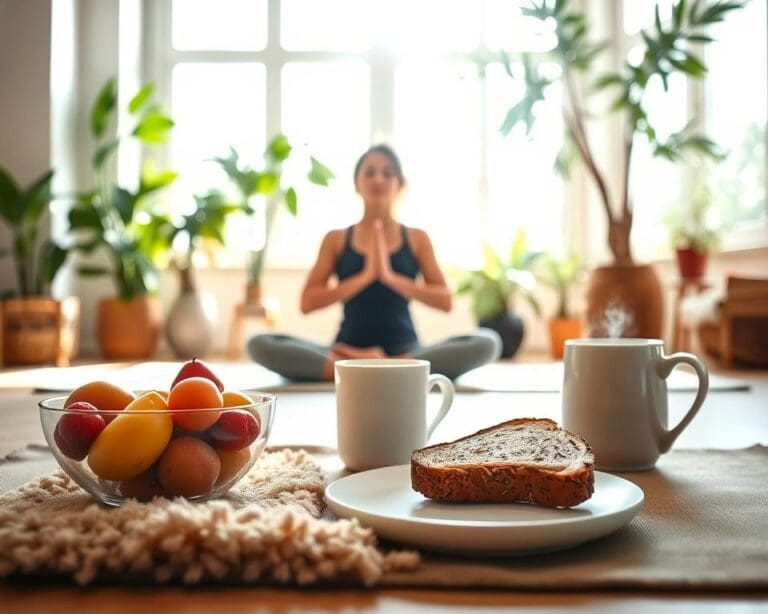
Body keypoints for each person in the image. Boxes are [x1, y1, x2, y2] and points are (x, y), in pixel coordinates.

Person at [248, 144, 501, 381]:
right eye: (369, 172)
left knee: (487, 341)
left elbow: (445, 300)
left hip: (407, 351)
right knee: (259, 342)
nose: (378, 179)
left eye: (387, 173)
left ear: (399, 184)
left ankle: (377, 365)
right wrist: (366, 275)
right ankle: (382, 368)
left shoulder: (416, 238)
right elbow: (308, 302)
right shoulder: (336, 239)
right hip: (345, 350)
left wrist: (389, 277)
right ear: (357, 183)